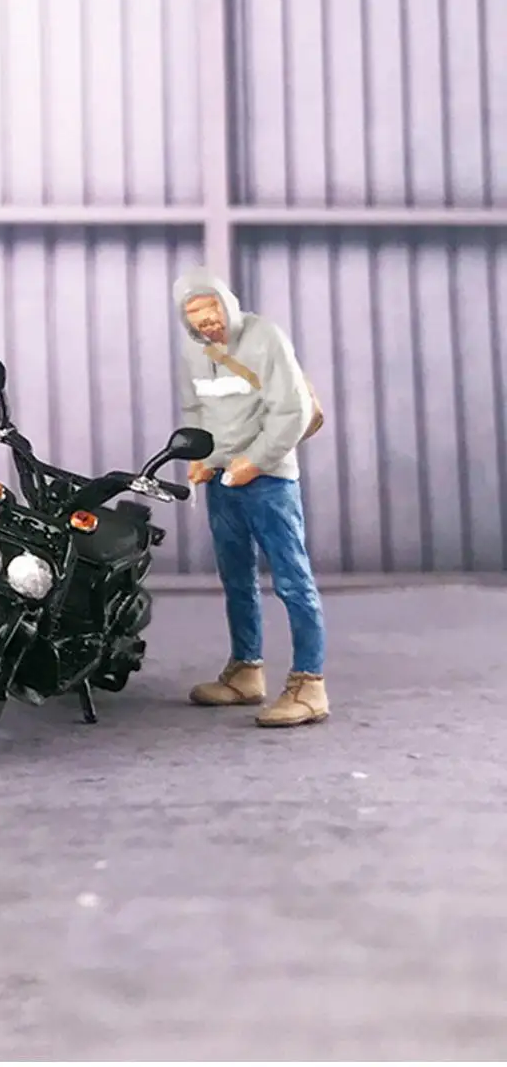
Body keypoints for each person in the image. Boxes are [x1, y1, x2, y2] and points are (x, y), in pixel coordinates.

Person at [174, 265, 328, 727]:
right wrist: (202, 456)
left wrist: (256, 461)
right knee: (236, 578)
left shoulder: (266, 338)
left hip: (269, 481)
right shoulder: (192, 349)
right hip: (222, 480)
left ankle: (310, 683)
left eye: (210, 307)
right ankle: (246, 669)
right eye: (193, 313)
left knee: (292, 580)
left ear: (227, 303)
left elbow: (293, 410)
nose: (205, 319)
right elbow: (195, 408)